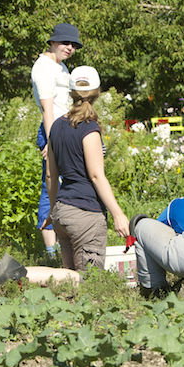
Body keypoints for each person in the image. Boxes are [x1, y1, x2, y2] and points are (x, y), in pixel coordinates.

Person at [45, 65, 129, 271]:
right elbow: (96, 175)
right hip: (86, 215)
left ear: (71, 92)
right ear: (97, 93)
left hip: (62, 212)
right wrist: (118, 213)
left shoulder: (56, 126)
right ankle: (24, 274)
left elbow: (50, 175)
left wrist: (53, 208)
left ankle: (25, 276)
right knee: (88, 282)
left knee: (69, 282)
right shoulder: (89, 129)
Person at [31, 23, 82, 258]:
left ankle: (67, 241)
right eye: (65, 42)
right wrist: (52, 143)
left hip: (66, 129)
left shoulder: (60, 67)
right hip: (54, 131)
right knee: (51, 186)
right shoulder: (43, 68)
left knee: (69, 184)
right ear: (52, 42)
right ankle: (51, 251)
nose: (69, 48)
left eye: (73, 45)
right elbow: (47, 109)